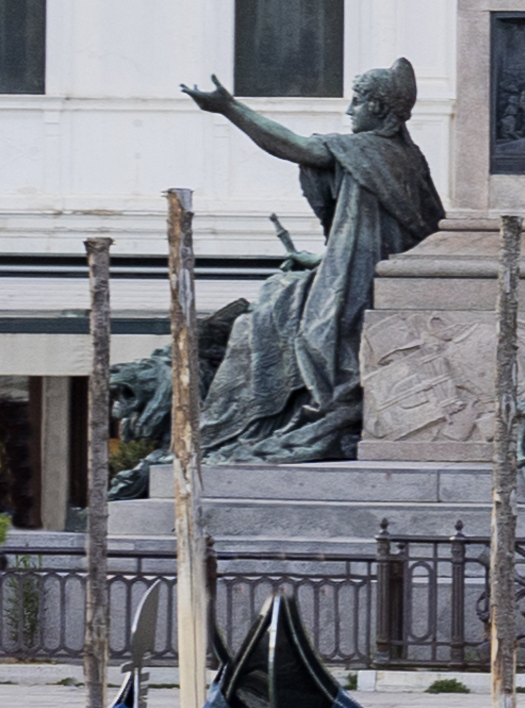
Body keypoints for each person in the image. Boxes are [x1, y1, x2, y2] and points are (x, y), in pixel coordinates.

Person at [175, 57, 444, 462]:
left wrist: (230, 108)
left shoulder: (369, 151)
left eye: (356, 101)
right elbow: (391, 234)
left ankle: (265, 419)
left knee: (283, 319)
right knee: (274, 301)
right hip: (363, 271)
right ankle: (257, 416)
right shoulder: (407, 159)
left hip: (359, 283)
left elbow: (294, 146)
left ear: (377, 108)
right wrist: (320, 256)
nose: (349, 110)